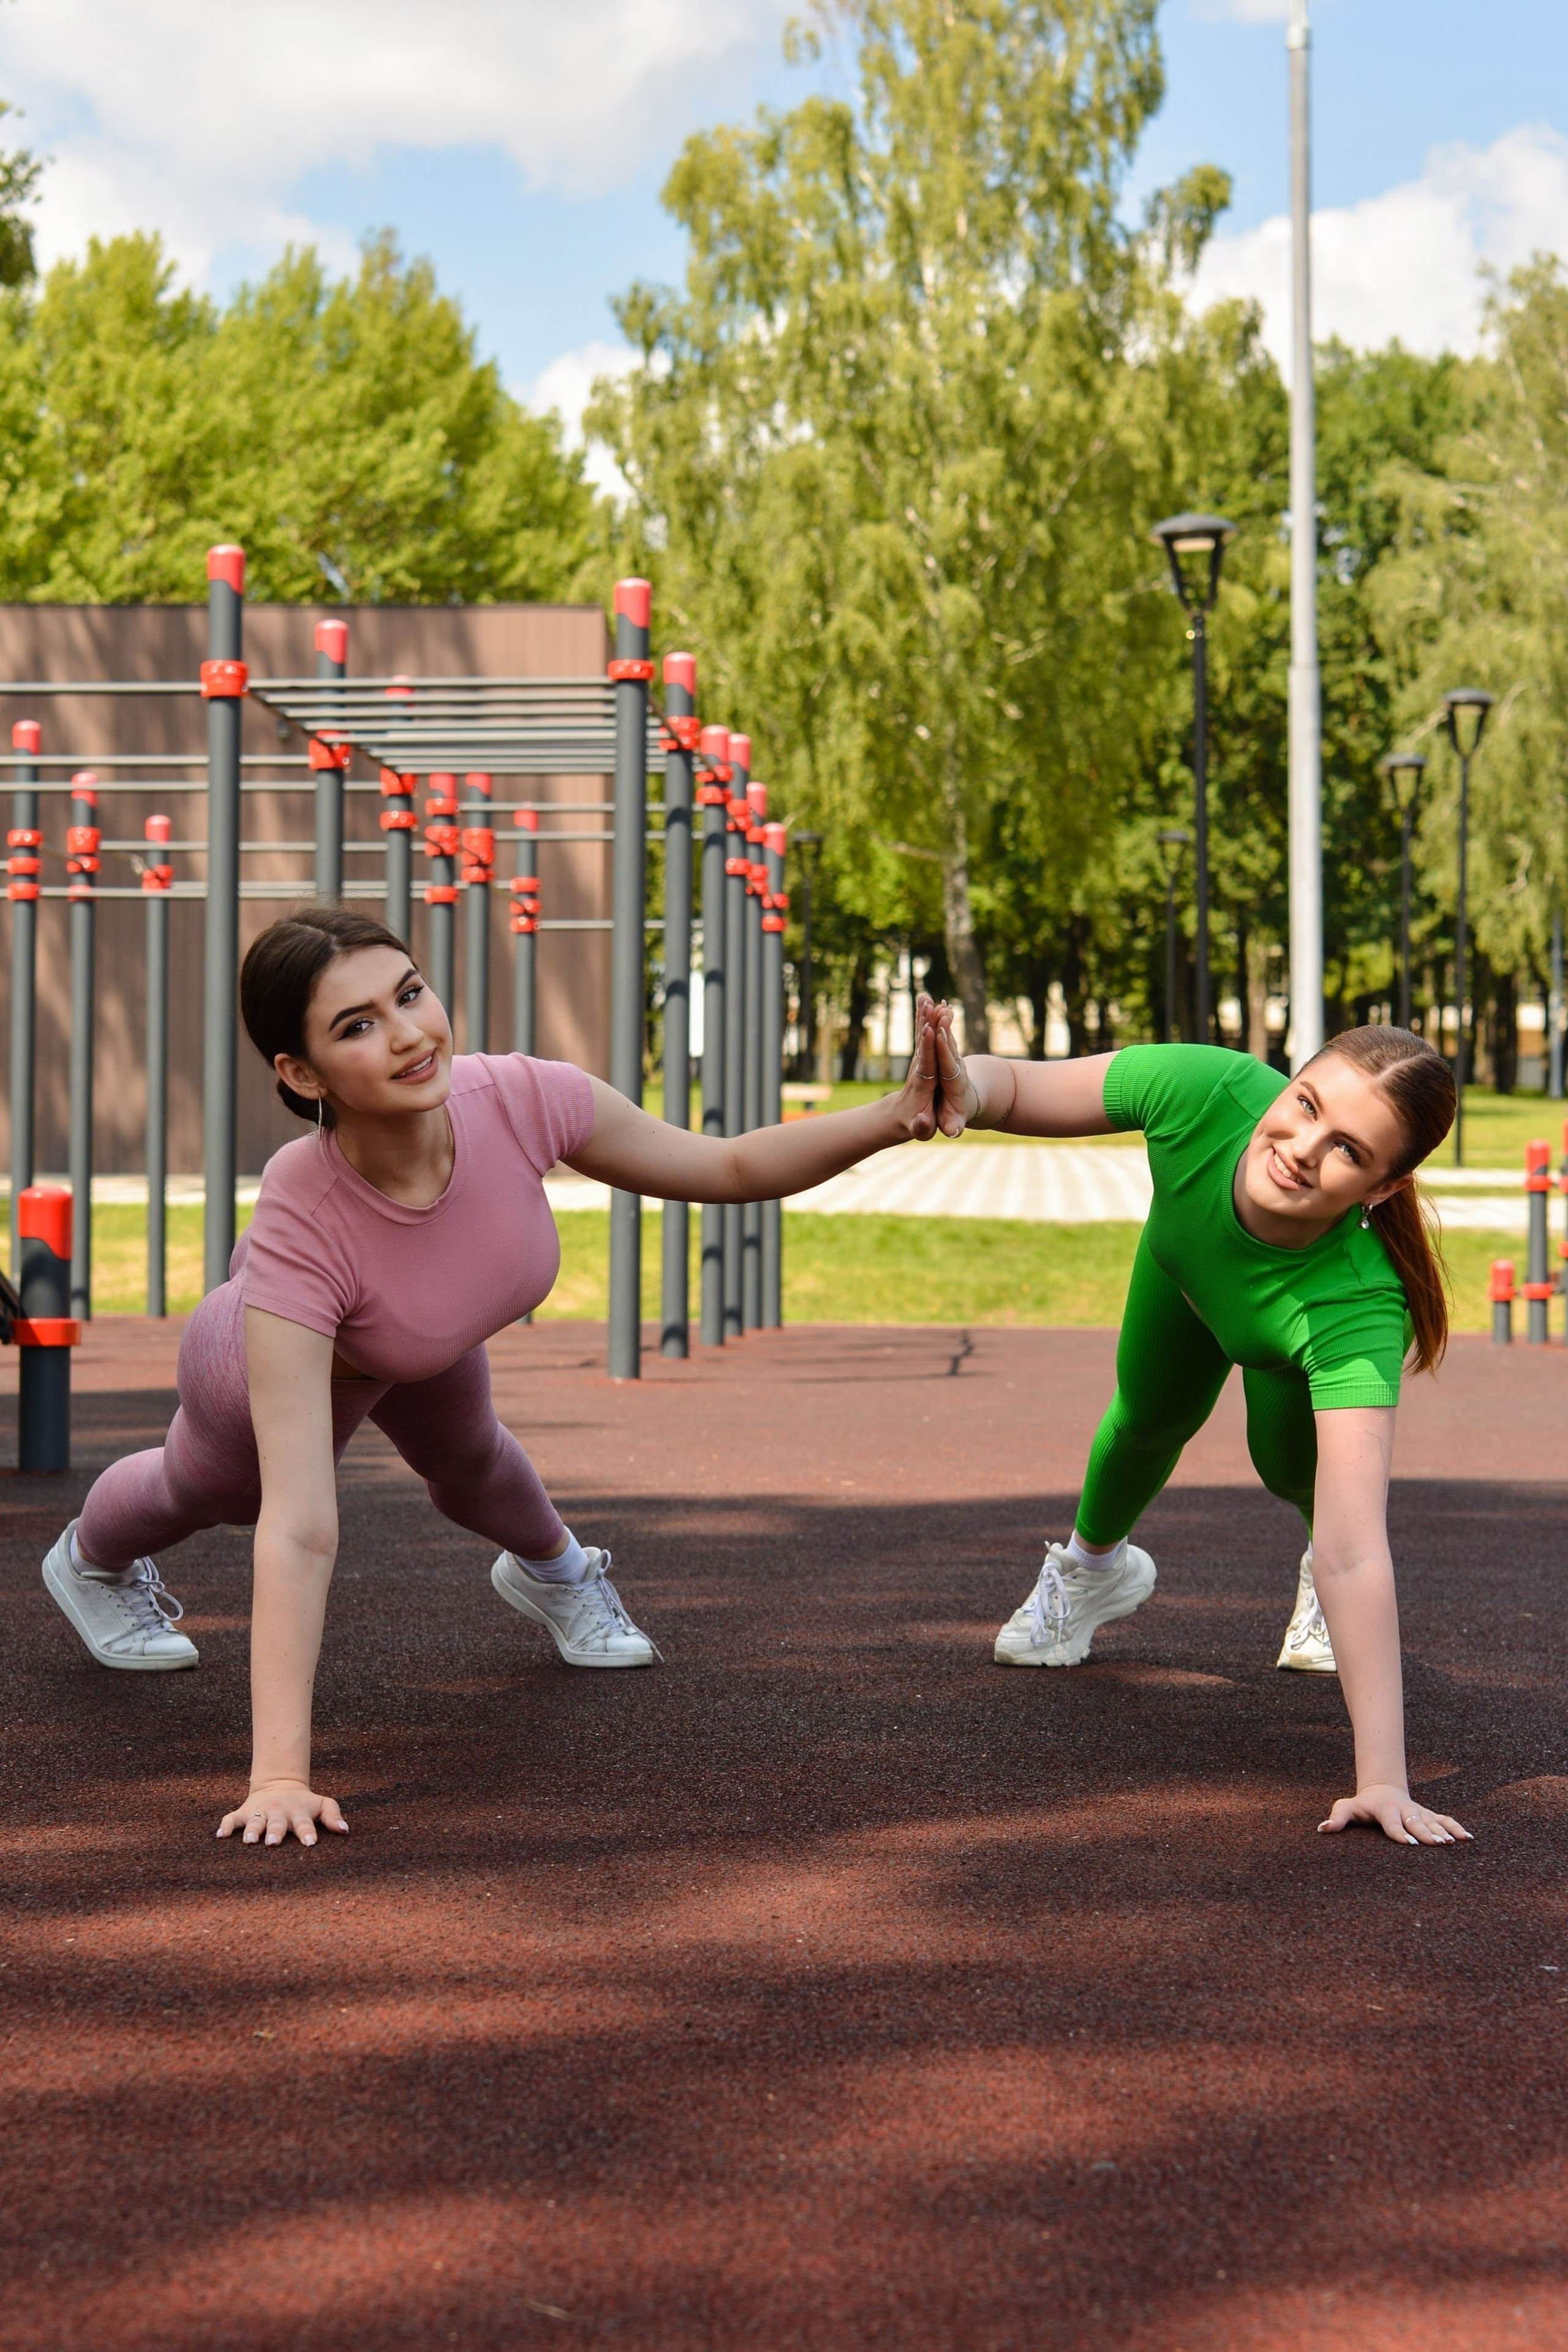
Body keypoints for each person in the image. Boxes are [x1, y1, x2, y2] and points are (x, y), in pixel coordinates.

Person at [42, 908, 948, 1850]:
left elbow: (728, 1164)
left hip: (422, 1339)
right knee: (212, 1490)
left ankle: (557, 1573)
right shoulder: (301, 1212)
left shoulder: (519, 1098)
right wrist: (280, 1777)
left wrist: (895, 1115)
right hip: (272, 1352)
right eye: (357, 1026)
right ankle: (89, 1560)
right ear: (302, 1075)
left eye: (410, 994)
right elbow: (304, 1530)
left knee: (471, 1460)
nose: (408, 1035)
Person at [924, 1014, 1472, 1848]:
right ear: (1287, 1084)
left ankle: (1315, 1595)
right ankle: (1091, 1571)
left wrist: (1383, 1782)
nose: (1302, 1148)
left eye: (1348, 1150)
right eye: (1306, 1104)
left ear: (1382, 1189)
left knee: (1292, 1473)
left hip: (1283, 1340)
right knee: (1148, 1416)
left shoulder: (1358, 1304)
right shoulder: (1206, 1091)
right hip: (1184, 1267)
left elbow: (1358, 1551)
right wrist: (964, 1086)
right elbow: (1021, 1087)